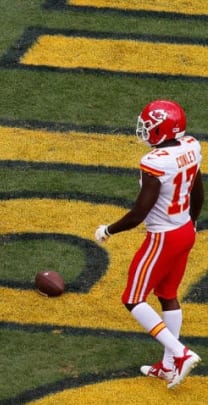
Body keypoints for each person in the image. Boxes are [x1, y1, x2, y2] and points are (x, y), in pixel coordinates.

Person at [95, 99, 203, 388]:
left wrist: (108, 230)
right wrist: (191, 223)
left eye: (149, 125)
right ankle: (168, 366)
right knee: (167, 293)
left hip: (163, 236)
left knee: (132, 298)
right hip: (184, 231)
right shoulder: (192, 146)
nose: (143, 128)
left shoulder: (154, 162)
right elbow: (198, 191)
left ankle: (180, 353)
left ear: (161, 131)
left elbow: (139, 213)